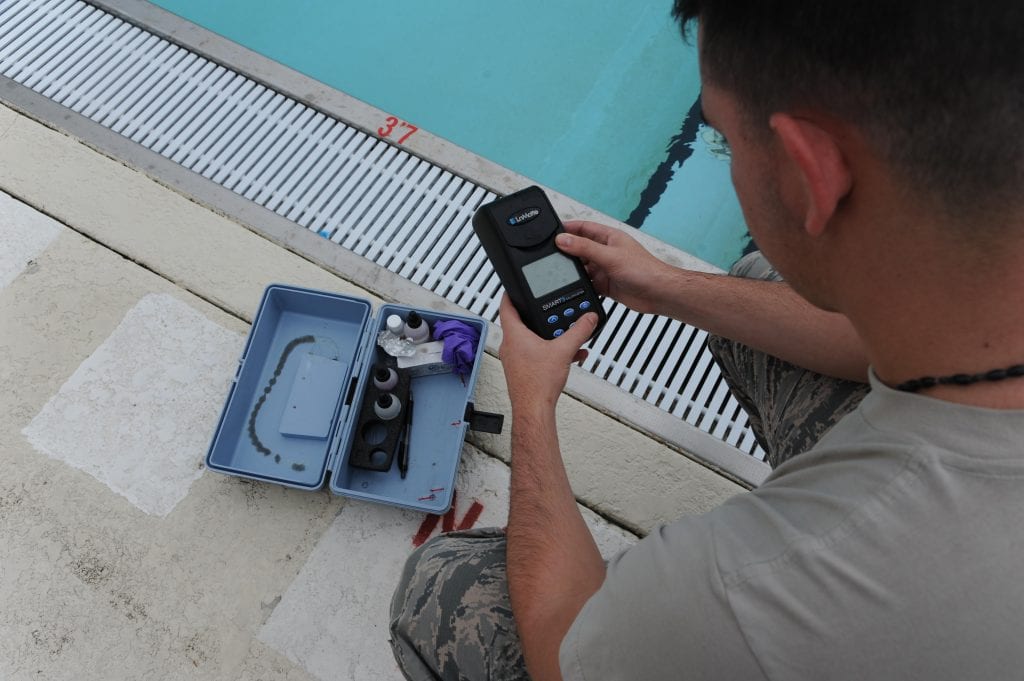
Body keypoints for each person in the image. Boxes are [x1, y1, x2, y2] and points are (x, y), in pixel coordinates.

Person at [390, 0, 1024, 678]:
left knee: (442, 586)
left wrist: (533, 404)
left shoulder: (753, 590)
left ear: (809, 172)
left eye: (722, 139)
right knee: (756, 285)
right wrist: (668, 285)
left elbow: (561, 651)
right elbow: (863, 337)